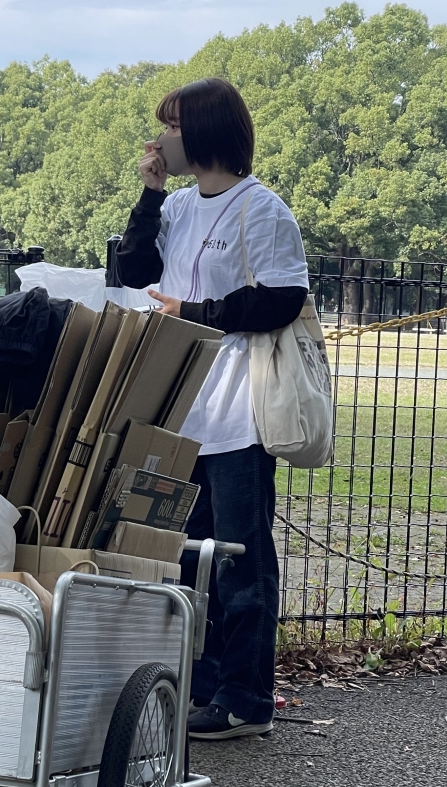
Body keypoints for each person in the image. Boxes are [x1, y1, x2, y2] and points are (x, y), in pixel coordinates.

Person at [116, 77, 309, 741]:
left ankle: (244, 699)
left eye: (168, 125)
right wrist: (146, 195)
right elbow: (129, 268)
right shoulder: (175, 207)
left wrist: (196, 313)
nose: (159, 137)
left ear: (200, 132)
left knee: (240, 558)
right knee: (177, 551)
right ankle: (194, 684)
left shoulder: (261, 210)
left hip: (237, 408)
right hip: (176, 407)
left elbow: (281, 299)